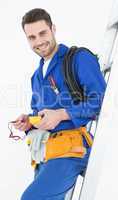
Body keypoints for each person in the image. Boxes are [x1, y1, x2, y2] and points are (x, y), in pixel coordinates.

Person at [13, 8, 106, 200]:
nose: (38, 41)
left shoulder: (78, 59)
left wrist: (62, 114)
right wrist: (29, 121)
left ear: (53, 29)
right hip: (45, 155)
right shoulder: (37, 77)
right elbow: (39, 113)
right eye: (31, 37)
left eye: (42, 33)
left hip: (71, 151)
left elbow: (101, 101)